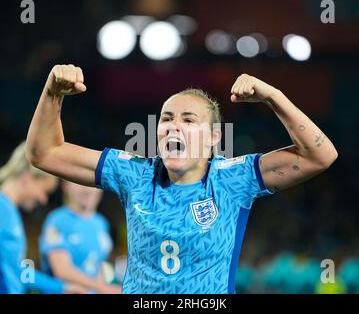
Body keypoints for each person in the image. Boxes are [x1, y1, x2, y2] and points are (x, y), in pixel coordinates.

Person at [26, 65, 338, 293]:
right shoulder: (134, 173)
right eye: (167, 119)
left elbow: (319, 155)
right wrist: (53, 94)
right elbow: (45, 153)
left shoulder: (232, 180)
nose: (174, 126)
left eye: (189, 120)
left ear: (214, 137)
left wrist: (273, 96)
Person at [0, 142, 85, 294]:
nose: (43, 200)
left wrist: (62, 288)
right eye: (44, 191)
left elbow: (18, 271)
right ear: (27, 178)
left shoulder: (10, 213)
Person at [39, 181, 122, 294]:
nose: (88, 190)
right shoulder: (57, 221)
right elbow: (62, 271)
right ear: (66, 186)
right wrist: (105, 288)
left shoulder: (101, 223)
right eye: (80, 183)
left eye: (93, 184)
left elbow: (97, 267)